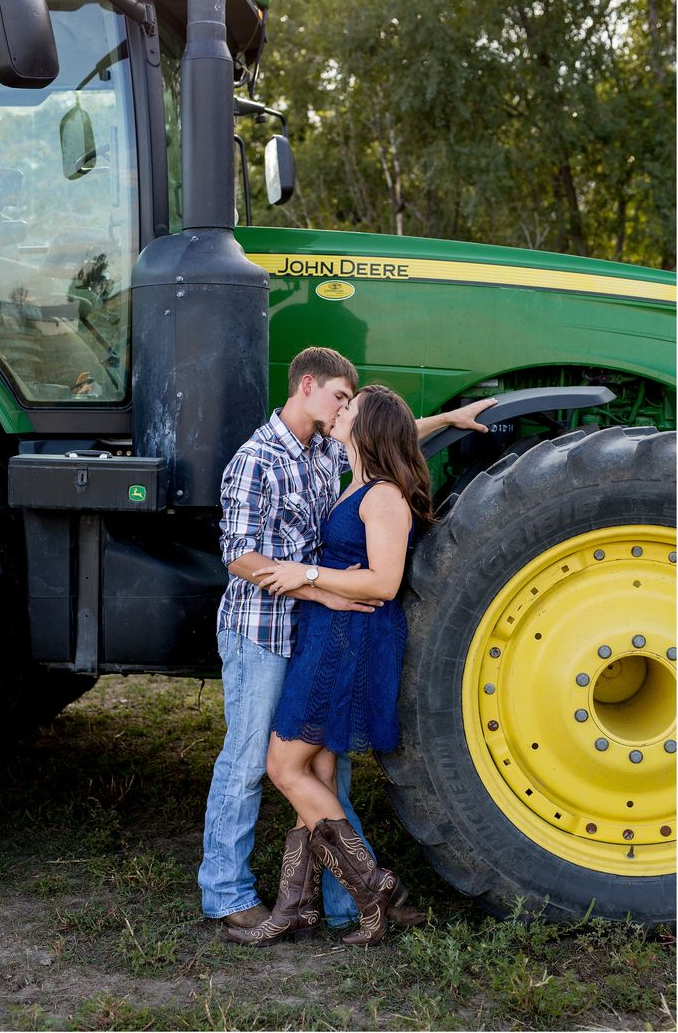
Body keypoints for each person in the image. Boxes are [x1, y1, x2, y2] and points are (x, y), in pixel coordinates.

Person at [198, 347, 495, 932]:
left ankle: (341, 903)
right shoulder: (257, 459)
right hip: (263, 630)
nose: (340, 413)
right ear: (308, 386)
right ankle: (227, 894)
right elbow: (239, 556)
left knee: (325, 768)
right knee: (252, 760)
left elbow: (383, 433)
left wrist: (447, 422)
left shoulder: (323, 451)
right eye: (338, 398)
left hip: (317, 632)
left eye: (346, 409)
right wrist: (317, 590)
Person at [225, 385, 434, 947]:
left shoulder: (383, 495)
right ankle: (296, 909)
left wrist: (306, 575)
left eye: (351, 408)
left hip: (347, 642)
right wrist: (454, 416)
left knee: (283, 767)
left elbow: (384, 582)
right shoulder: (357, 483)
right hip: (329, 634)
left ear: (368, 429)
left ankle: (374, 886)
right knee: (312, 776)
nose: (340, 413)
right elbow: (406, 431)